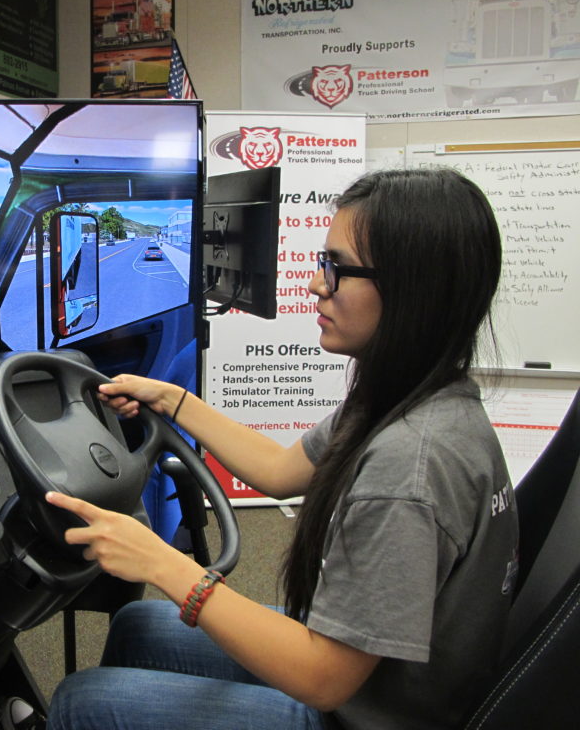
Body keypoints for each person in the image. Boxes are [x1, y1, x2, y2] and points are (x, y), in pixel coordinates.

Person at [45, 168, 517, 730]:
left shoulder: (408, 464)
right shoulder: (415, 398)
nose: (316, 285)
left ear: (414, 289)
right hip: (380, 686)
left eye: (336, 269)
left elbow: (323, 679)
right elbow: (279, 469)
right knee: (136, 627)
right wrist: (171, 399)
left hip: (363, 713)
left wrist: (159, 561)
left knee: (80, 699)